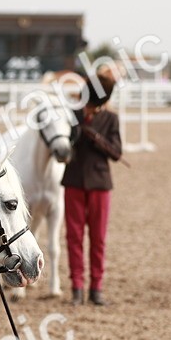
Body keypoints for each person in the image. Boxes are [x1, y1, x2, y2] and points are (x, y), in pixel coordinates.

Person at [62, 71, 122, 306]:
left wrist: (96, 137)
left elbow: (116, 153)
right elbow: (63, 144)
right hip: (74, 181)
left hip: (99, 184)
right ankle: (77, 287)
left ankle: (96, 288)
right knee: (73, 237)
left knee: (98, 239)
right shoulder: (73, 115)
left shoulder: (111, 119)